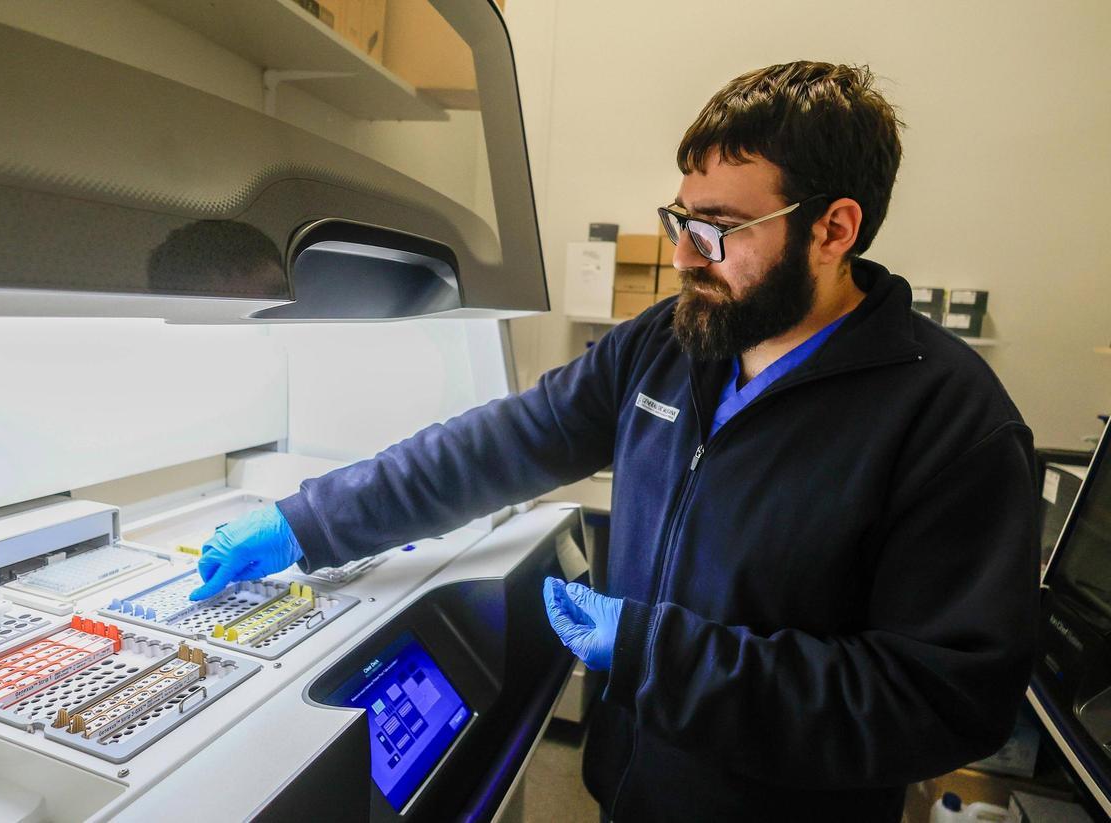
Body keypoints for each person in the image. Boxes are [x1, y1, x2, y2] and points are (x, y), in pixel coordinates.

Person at [188, 61, 1039, 822]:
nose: (682, 255)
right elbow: (498, 445)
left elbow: (942, 700)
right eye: (679, 217)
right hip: (627, 791)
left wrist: (655, 654)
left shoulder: (950, 420)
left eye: (715, 229)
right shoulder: (669, 343)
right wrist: (307, 523)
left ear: (833, 229)